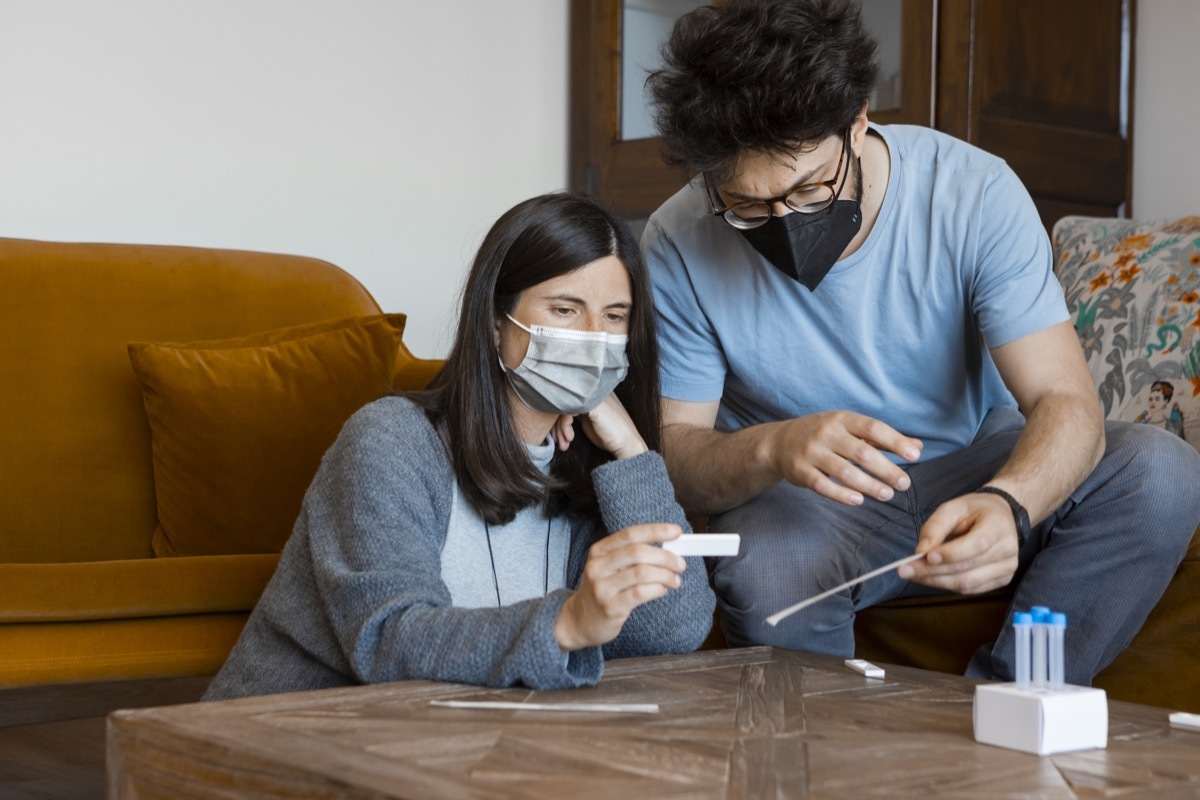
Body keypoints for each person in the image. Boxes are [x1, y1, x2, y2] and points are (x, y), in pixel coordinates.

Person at [641, 0, 1200, 685]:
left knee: (1160, 472)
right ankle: (835, 762)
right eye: (749, 206)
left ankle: (1003, 707)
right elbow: (678, 456)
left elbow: (1063, 398)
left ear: (858, 121)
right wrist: (775, 446)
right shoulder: (677, 238)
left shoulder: (974, 192)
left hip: (973, 462)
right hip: (811, 505)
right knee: (767, 563)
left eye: (813, 187)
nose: (785, 222)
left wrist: (1010, 503)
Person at [204, 192, 715, 700]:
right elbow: (388, 641)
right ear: (496, 324)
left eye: (614, 317)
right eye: (565, 309)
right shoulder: (390, 440)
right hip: (276, 741)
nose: (592, 339)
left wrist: (631, 452)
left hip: (437, 747)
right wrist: (566, 623)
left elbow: (673, 631)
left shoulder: (587, 471)